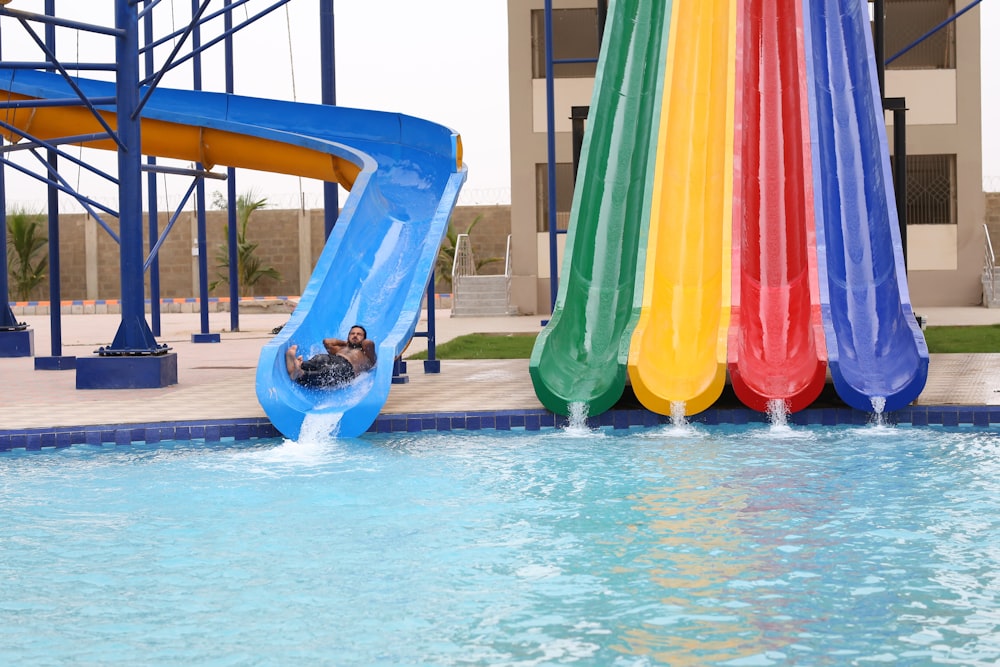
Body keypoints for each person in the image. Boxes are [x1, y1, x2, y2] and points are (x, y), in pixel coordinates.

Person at [285, 325, 377, 389]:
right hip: (334, 358)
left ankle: (301, 373)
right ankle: (298, 366)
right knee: (320, 358)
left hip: (347, 368)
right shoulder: (342, 348)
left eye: (359, 334)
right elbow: (327, 342)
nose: (355, 335)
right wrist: (347, 343)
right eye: (352, 334)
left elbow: (369, 343)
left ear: (364, 338)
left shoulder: (367, 355)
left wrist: (357, 342)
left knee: (328, 372)